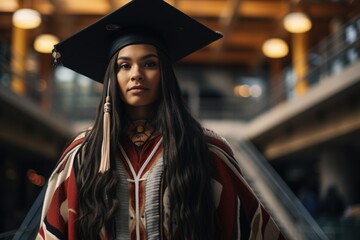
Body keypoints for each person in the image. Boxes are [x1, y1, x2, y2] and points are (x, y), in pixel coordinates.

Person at [37, 0, 285, 239]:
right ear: (112, 77)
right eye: (124, 66)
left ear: (164, 74)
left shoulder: (205, 148)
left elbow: (252, 229)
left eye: (149, 63)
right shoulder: (83, 152)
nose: (136, 74)